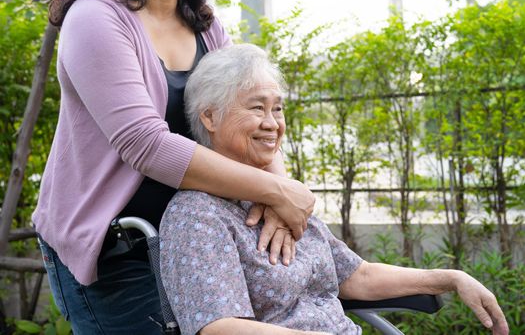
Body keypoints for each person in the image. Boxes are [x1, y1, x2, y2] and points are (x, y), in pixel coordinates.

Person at [159, 44, 510, 335]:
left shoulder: (282, 199)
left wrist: (450, 278)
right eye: (256, 108)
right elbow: (220, 328)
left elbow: (359, 275)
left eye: (278, 109)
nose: (272, 123)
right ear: (210, 118)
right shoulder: (197, 214)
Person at [33, 0, 315, 334]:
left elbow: (247, 114)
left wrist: (279, 193)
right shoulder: (94, 18)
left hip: (194, 245)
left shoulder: (204, 25)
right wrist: (276, 191)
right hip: (117, 253)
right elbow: (145, 144)